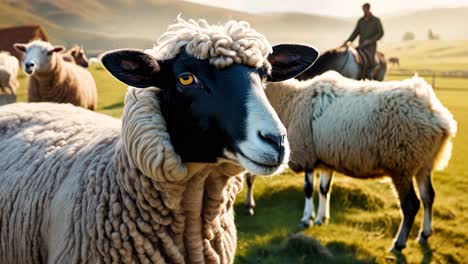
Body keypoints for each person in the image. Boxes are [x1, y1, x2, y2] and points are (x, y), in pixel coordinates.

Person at [345, 3, 384, 79]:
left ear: (369, 9)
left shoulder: (376, 20)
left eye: (365, 9)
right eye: (363, 9)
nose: (364, 11)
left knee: (371, 60)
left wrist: (370, 41)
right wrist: (347, 41)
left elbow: (381, 33)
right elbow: (355, 33)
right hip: (361, 45)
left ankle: (371, 74)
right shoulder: (360, 21)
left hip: (371, 46)